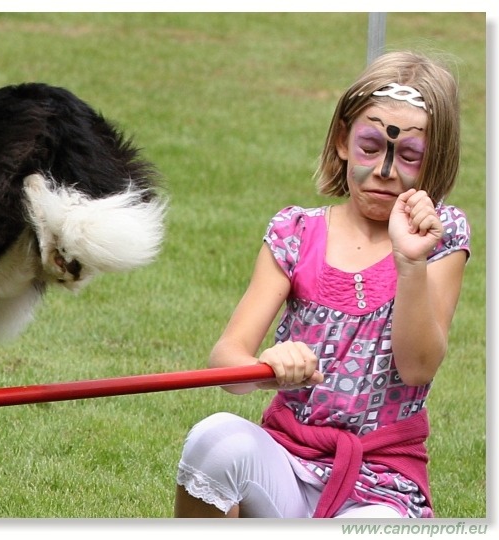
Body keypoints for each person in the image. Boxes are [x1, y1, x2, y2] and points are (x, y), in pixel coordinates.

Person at [174, 50, 470, 519]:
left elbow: (417, 368)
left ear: (435, 160)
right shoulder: (295, 233)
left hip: (381, 487)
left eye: (409, 155)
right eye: (371, 147)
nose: (385, 171)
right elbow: (225, 358)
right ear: (342, 140)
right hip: (287, 461)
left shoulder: (441, 235)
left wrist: (410, 262)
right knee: (214, 440)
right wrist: (264, 364)